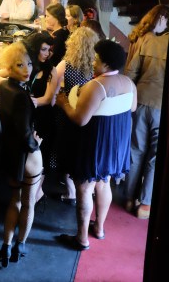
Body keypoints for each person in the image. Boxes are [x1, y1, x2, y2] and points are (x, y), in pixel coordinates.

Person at [55, 39, 137, 250]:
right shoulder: (129, 83)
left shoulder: (96, 86)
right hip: (116, 142)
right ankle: (99, 229)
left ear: (107, 65)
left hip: (95, 142)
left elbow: (80, 119)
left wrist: (64, 103)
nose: (92, 61)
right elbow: (132, 108)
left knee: (84, 188)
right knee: (104, 183)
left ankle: (81, 238)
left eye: (96, 59)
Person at [0, 42, 43, 267]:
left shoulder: (3, 87)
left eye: (29, 64)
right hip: (27, 155)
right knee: (28, 203)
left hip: (9, 153)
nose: (27, 69)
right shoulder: (22, 96)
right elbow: (26, 134)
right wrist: (36, 143)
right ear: (9, 67)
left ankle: (5, 246)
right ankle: (20, 245)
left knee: (13, 200)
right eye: (20, 65)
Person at [124, 4, 169, 220]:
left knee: (136, 151)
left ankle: (129, 197)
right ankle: (145, 203)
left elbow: (131, 72)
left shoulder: (145, 39)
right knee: (154, 156)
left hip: (141, 101)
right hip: (163, 105)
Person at [52, 27, 99, 205]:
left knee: (65, 150)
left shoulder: (66, 65)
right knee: (83, 150)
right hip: (88, 113)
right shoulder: (96, 68)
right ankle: (87, 189)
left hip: (67, 113)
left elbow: (54, 87)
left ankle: (71, 192)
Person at [23, 32, 58, 203]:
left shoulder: (51, 70)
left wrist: (31, 100)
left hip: (43, 118)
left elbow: (49, 99)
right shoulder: (27, 64)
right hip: (28, 117)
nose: (47, 53)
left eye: (49, 50)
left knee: (40, 155)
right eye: (43, 49)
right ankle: (32, 195)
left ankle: (36, 195)